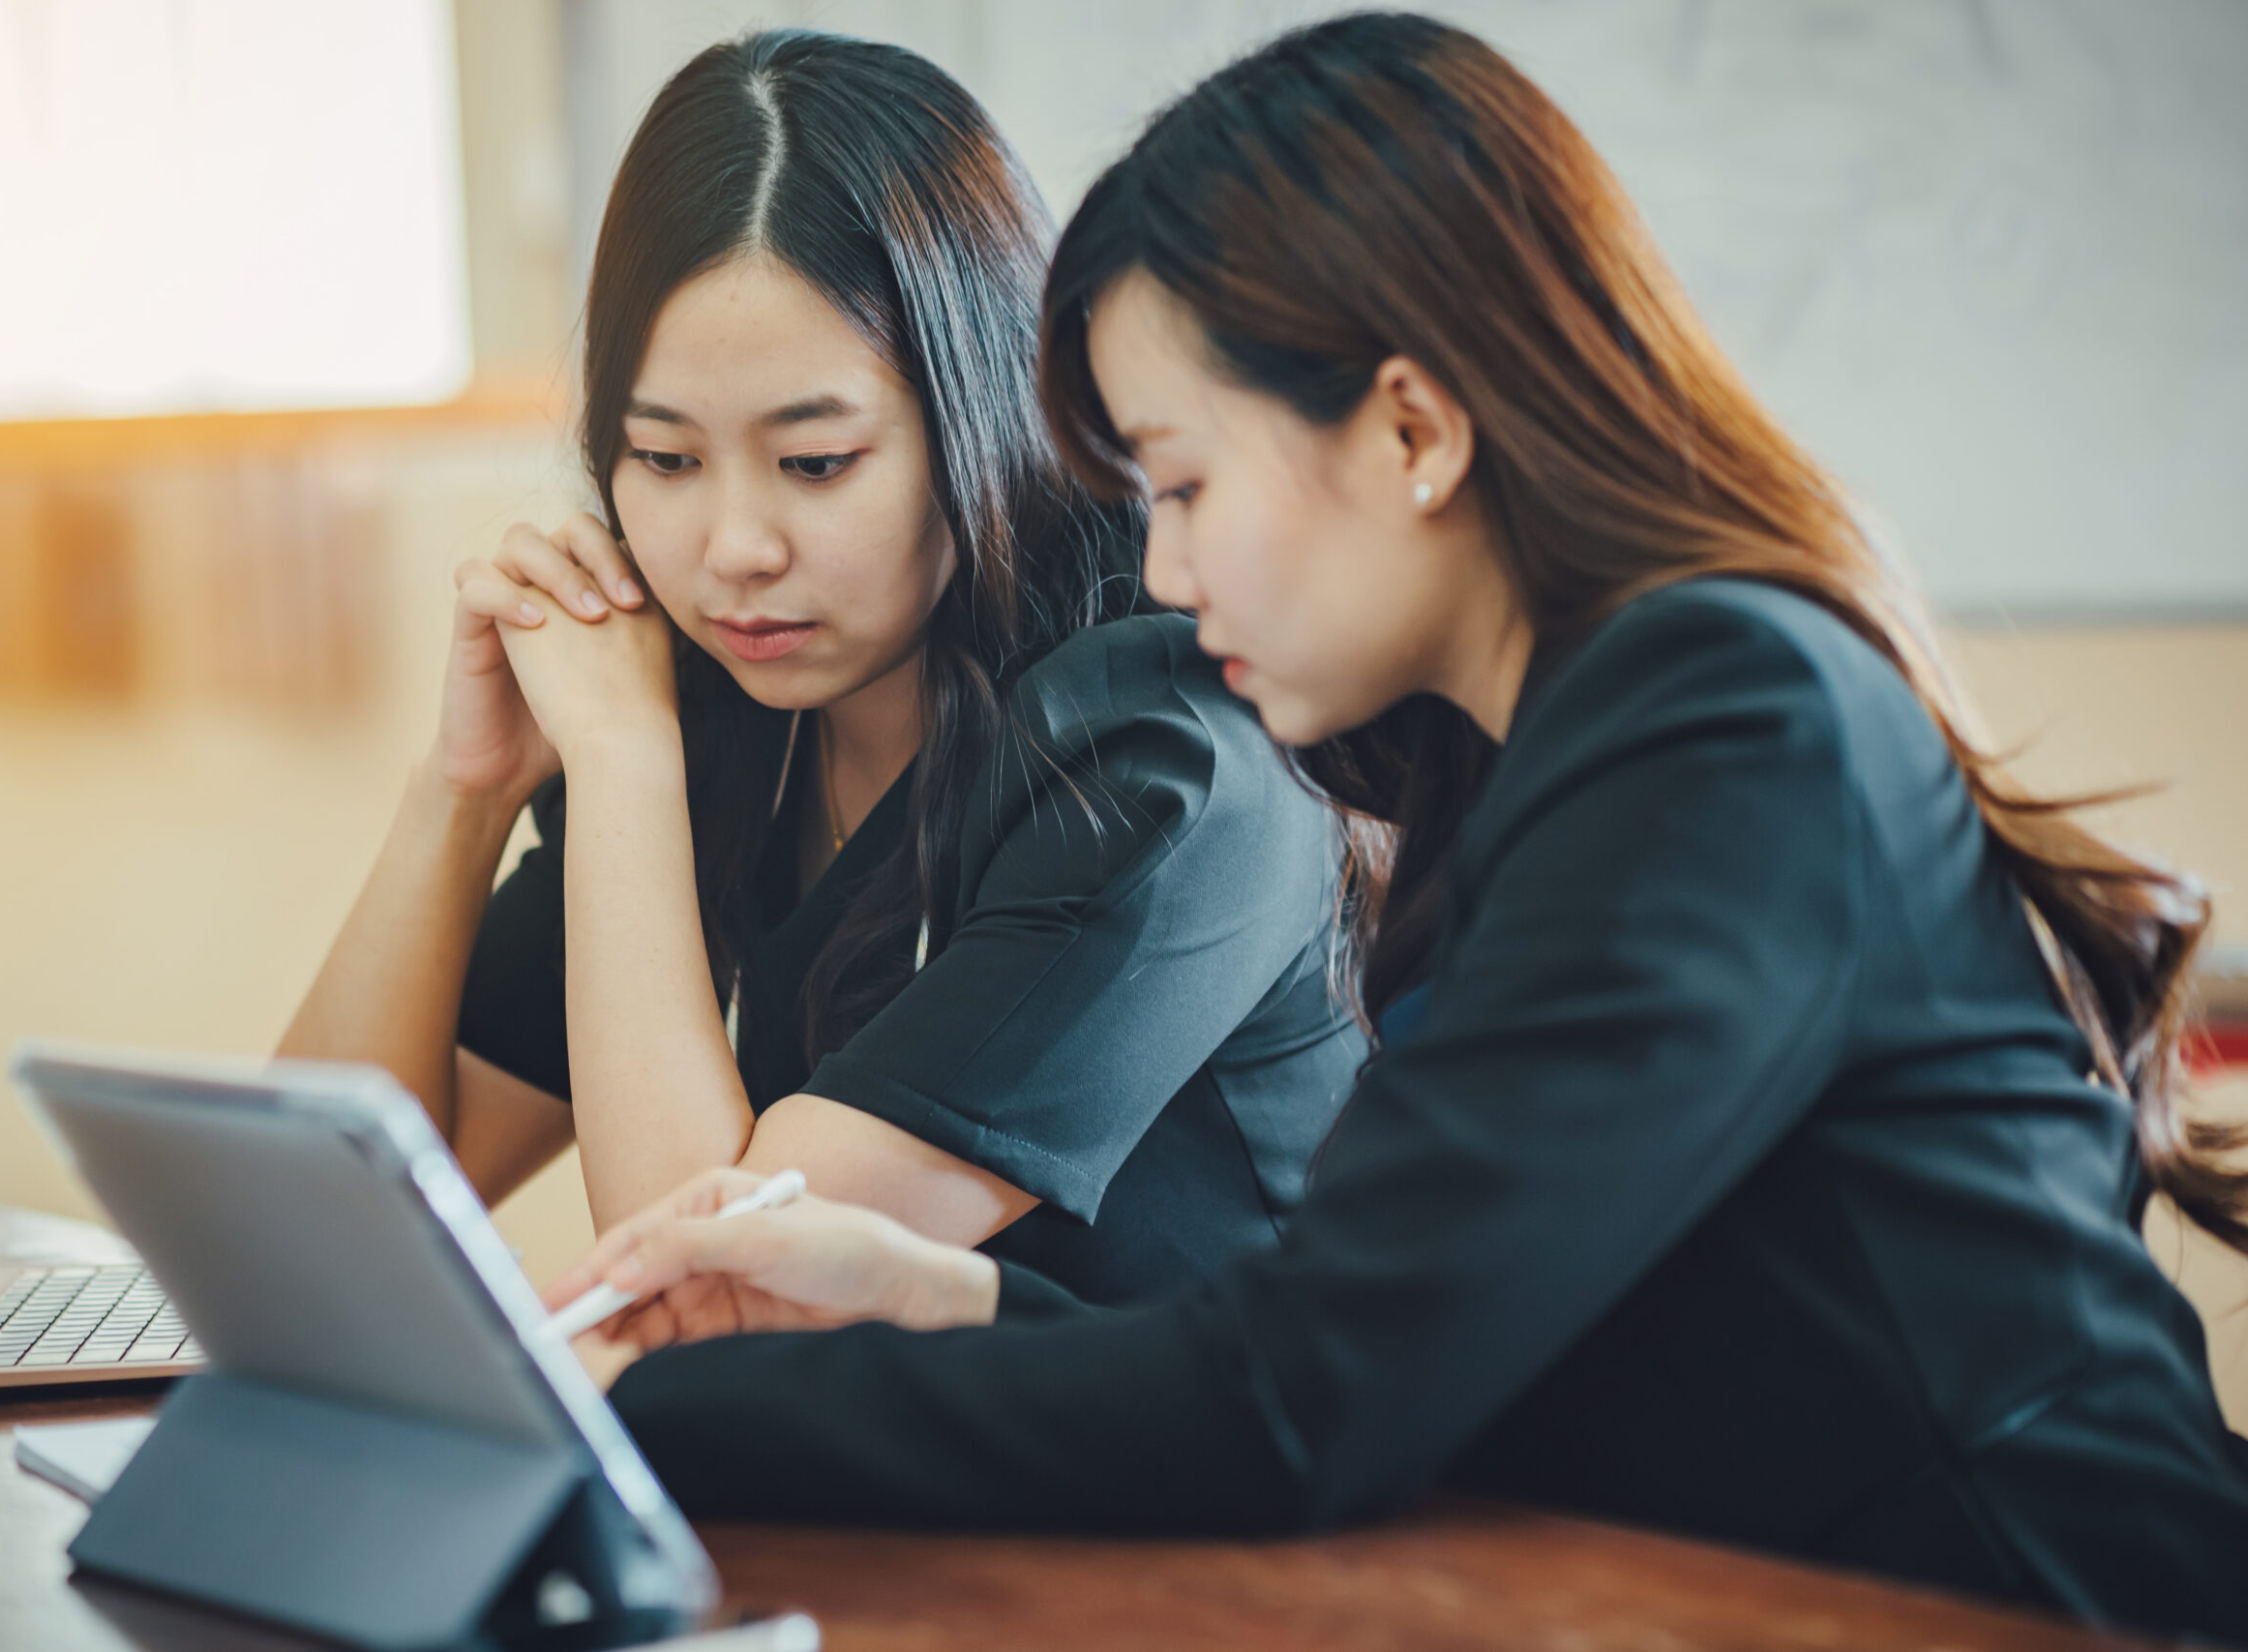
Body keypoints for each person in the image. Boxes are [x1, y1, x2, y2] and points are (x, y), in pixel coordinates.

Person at [547, 14, 2248, 1639]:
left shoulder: (1725, 718)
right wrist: (931, 1296)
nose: (1162, 568)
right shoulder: (1515, 758)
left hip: (2058, 1604)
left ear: (1416, 432)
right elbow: (1379, 1357)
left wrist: (689, 1411)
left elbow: (1305, 1403)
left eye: (1190, 482)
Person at [279, 31, 1364, 1306]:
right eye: (667, 461)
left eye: (816, 463)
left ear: (983, 422)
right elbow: (302, 1223)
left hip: (1184, 1498)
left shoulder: (1163, 762)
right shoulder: (727, 713)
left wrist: (622, 768)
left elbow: (722, 1293)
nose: (734, 551)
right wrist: (460, 793)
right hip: (873, 1482)